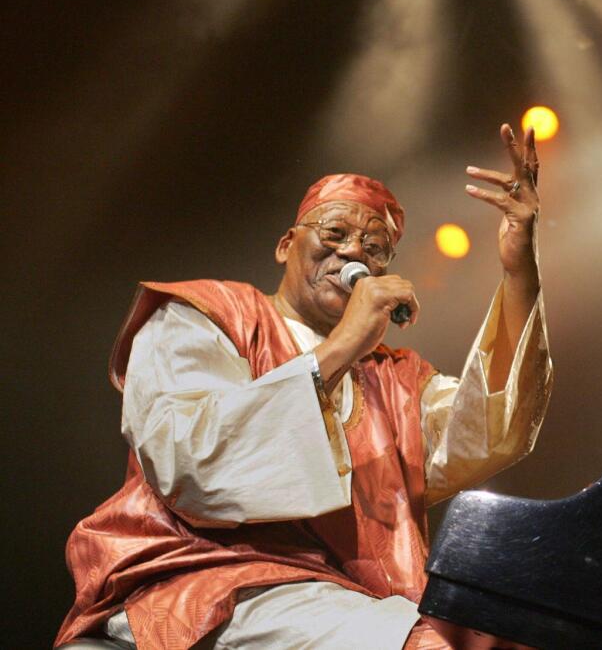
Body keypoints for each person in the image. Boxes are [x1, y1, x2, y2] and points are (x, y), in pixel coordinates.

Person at [55, 124, 552, 649]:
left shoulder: (396, 378)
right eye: (334, 235)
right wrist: (343, 346)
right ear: (286, 246)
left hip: (338, 597)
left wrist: (520, 267)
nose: (354, 254)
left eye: (375, 247)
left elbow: (495, 425)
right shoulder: (204, 315)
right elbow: (191, 464)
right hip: (205, 576)